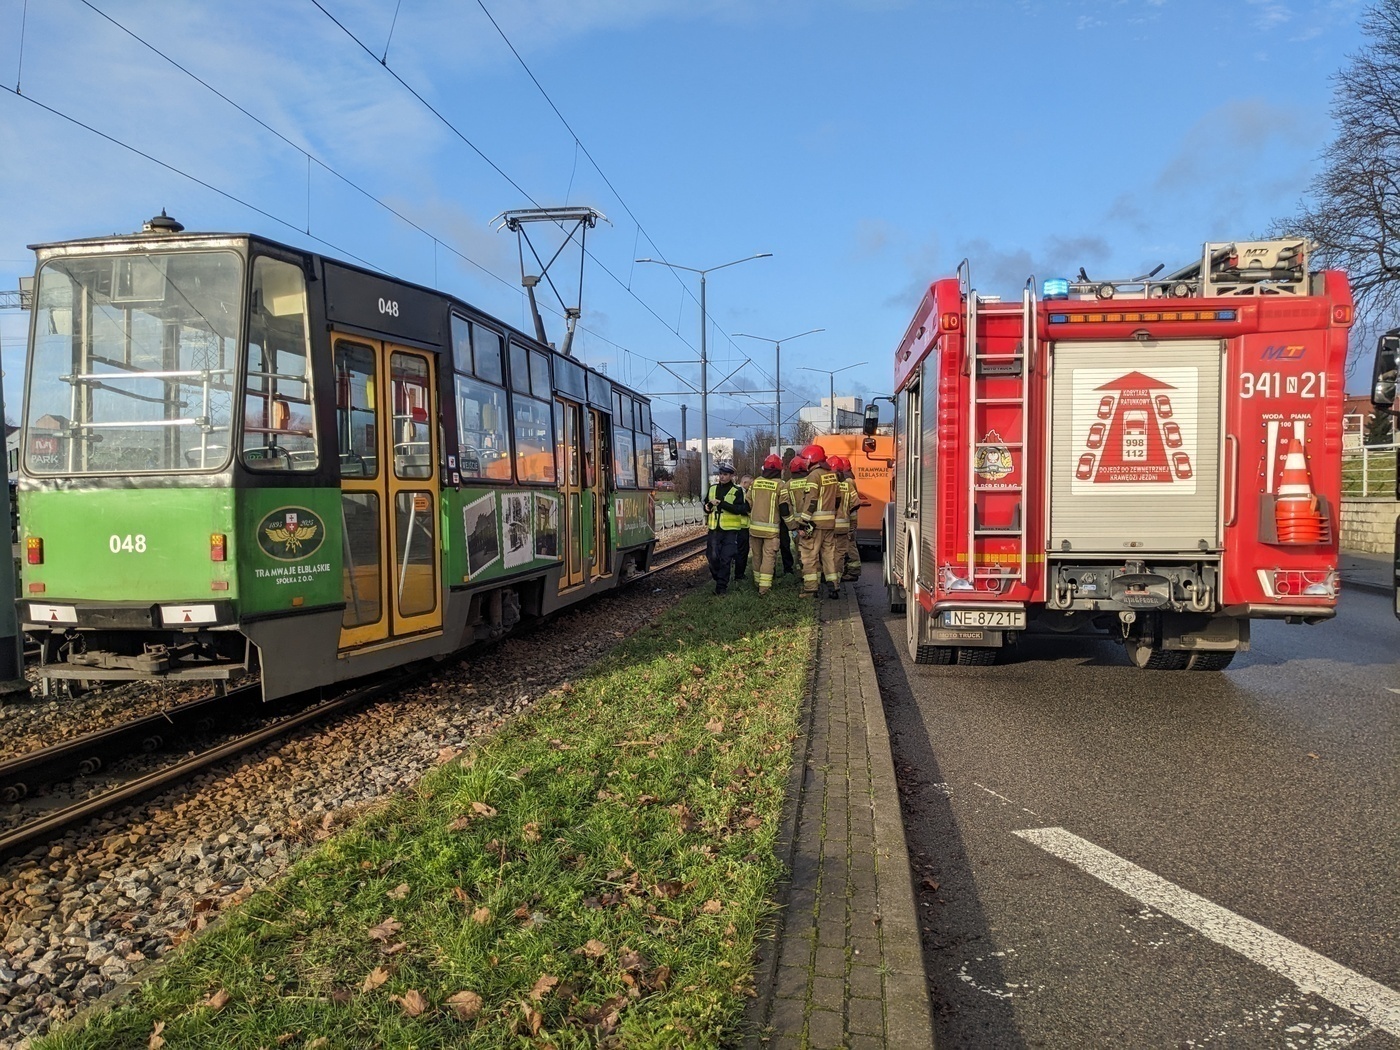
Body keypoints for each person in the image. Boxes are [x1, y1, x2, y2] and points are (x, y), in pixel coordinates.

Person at [796, 443, 842, 598]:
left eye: (806, 459)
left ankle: (810, 589)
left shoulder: (813, 476)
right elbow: (838, 499)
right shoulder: (832, 474)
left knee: (809, 555)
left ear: (811, 459)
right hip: (829, 523)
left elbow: (811, 501)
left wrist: (803, 522)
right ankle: (834, 586)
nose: (805, 462)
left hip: (814, 524)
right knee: (829, 555)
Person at [746, 455, 794, 595]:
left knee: (756, 556)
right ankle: (764, 588)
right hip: (771, 530)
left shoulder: (755, 483)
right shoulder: (781, 485)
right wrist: (792, 526)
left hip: (754, 528)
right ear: (780, 469)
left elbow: (747, 504)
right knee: (768, 557)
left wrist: (753, 516)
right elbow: (784, 508)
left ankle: (756, 582)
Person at [704, 462, 749, 595]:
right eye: (720, 474)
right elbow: (706, 506)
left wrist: (722, 504)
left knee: (726, 559)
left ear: (731, 476)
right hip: (714, 530)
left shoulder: (738, 490)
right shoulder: (712, 488)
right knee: (712, 558)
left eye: (725, 474)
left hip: (730, 531)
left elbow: (741, 509)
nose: (722, 477)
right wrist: (708, 507)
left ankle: (721, 587)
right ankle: (719, 578)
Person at [831, 456, 865, 581]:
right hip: (848, 519)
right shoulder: (848, 482)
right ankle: (848, 570)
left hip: (847, 520)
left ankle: (853, 571)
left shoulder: (848, 482)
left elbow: (853, 503)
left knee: (849, 545)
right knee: (847, 546)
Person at [734, 473, 754, 583]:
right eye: (750, 485)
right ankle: (739, 576)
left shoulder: (737, 490)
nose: (751, 487)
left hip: (737, 526)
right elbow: (742, 508)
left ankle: (739, 574)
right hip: (741, 526)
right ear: (745, 482)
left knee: (739, 551)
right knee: (742, 552)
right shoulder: (741, 492)